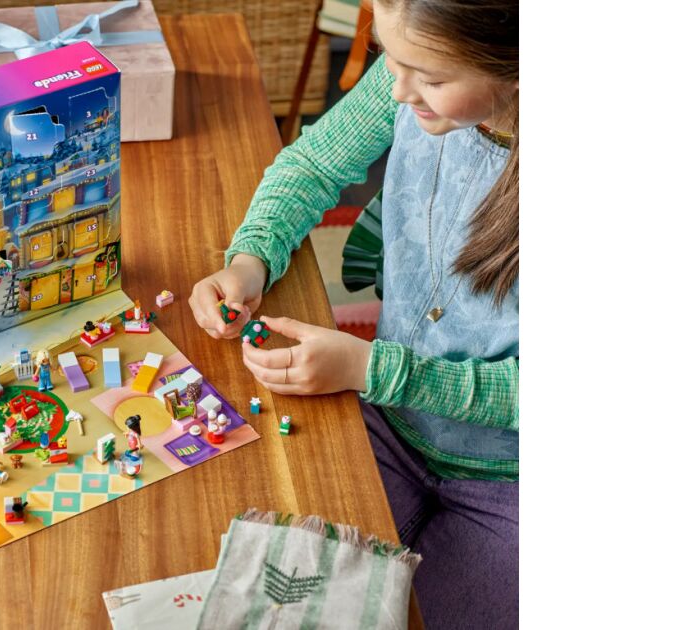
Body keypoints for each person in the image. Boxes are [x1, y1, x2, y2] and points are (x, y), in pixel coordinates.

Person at [188, 1, 518, 626]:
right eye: (388, 60)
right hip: (389, 418)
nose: (398, 91)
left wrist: (371, 369)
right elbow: (314, 163)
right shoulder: (412, 75)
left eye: (430, 78)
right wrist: (252, 259)